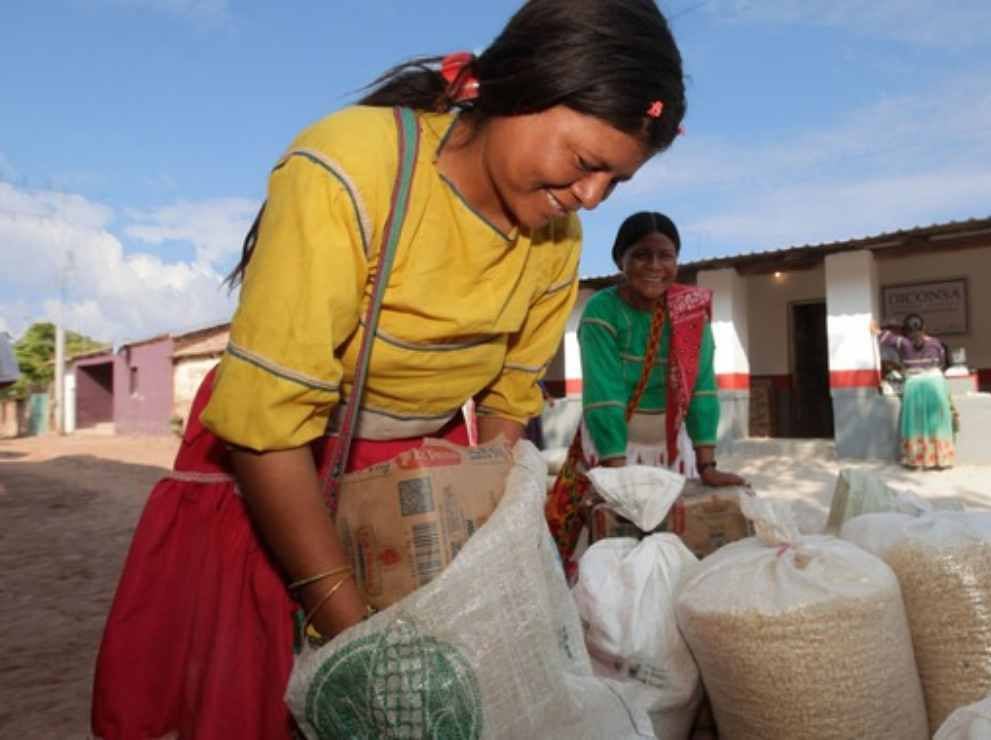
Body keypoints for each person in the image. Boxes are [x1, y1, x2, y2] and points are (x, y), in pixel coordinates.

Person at [91, 3, 687, 738]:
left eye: (615, 182)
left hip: (413, 491)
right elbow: (267, 430)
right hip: (280, 478)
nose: (592, 197)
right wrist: (350, 627)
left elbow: (506, 404)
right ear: (520, 87)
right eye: (585, 163)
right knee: (281, 694)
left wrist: (483, 506)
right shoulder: (351, 167)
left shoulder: (555, 238)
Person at [546, 212, 745, 562]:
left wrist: (707, 466)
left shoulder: (691, 313)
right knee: (615, 545)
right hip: (610, 446)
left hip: (669, 443)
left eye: (665, 255)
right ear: (620, 260)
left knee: (669, 541)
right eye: (641, 255)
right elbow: (604, 395)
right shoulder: (601, 311)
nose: (655, 265)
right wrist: (616, 476)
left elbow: (701, 389)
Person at [870, 314, 955, 469]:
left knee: (915, 423)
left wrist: (876, 328)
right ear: (924, 328)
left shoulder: (902, 342)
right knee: (937, 422)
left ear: (905, 331)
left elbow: (883, 337)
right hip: (935, 385)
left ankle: (916, 460)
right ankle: (940, 460)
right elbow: (942, 363)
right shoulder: (936, 344)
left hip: (914, 386)